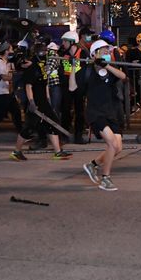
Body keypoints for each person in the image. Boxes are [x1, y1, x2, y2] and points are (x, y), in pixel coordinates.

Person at [79, 40, 127, 191]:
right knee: (111, 144)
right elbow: (73, 87)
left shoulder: (110, 70)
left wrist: (107, 65)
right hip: (95, 113)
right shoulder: (87, 71)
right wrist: (73, 67)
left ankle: (92, 165)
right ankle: (106, 178)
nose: (107, 53)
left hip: (110, 113)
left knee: (117, 148)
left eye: (108, 51)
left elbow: (123, 76)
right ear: (94, 54)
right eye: (104, 51)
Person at [22, 43, 72, 161]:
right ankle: (17, 150)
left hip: (44, 99)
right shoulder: (33, 67)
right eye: (43, 52)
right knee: (29, 127)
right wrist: (32, 102)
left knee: (52, 122)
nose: (45, 54)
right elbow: (28, 86)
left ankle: (57, 151)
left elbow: (45, 83)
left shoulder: (45, 63)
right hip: (36, 101)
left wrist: (48, 98)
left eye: (46, 51)